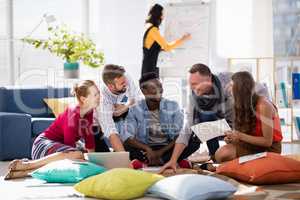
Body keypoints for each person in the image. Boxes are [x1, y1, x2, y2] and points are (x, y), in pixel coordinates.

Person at [5, 80, 107, 180]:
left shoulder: (89, 111)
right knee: (78, 155)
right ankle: (28, 165)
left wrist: (93, 162)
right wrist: (85, 159)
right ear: (83, 99)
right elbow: (70, 147)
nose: (99, 97)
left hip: (60, 151)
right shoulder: (73, 114)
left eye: (98, 93)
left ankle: (26, 172)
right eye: (95, 95)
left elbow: (89, 141)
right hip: (43, 145)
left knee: (82, 157)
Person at [159, 63, 228, 172]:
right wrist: (173, 159)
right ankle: (170, 161)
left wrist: (203, 131)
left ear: (209, 78)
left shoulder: (226, 88)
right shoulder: (194, 96)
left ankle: (215, 156)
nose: (192, 88)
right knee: (192, 137)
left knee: (204, 122)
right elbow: (188, 128)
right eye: (191, 84)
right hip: (211, 129)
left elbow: (238, 123)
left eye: (195, 84)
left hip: (233, 129)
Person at [122, 72, 199, 168]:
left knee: (194, 140)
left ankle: (152, 162)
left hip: (168, 147)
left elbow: (179, 135)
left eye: (160, 86)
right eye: (154, 87)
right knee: (124, 143)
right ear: (144, 91)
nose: (159, 90)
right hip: (145, 149)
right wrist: (148, 149)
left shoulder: (173, 106)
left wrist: (160, 152)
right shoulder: (134, 109)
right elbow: (128, 136)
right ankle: (172, 161)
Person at [214, 71, 283, 163]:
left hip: (269, 148)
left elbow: (267, 142)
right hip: (251, 144)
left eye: (231, 85)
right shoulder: (241, 104)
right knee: (220, 153)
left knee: (223, 154)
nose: (228, 88)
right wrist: (232, 139)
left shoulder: (263, 106)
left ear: (240, 89)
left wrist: (239, 136)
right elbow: (246, 135)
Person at [97, 64, 140, 152]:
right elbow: (110, 129)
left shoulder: (125, 78)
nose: (126, 83)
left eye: (125, 81)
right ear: (111, 86)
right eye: (122, 83)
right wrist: (124, 159)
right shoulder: (103, 100)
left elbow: (135, 98)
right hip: (108, 118)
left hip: (124, 107)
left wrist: (125, 106)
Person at [142, 3, 191, 77]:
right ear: (158, 15)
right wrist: (183, 39)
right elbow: (167, 47)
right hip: (150, 68)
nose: (163, 16)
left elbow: (154, 48)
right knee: (152, 87)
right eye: (162, 14)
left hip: (150, 67)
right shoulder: (153, 30)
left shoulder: (151, 28)